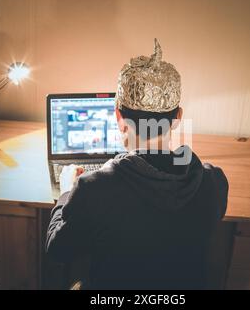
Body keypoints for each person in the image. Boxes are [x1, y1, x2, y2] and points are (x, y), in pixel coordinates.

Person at [46, 39, 228, 290]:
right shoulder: (214, 182)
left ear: (118, 117)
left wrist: (67, 191)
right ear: (178, 118)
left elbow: (58, 251)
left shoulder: (93, 188)